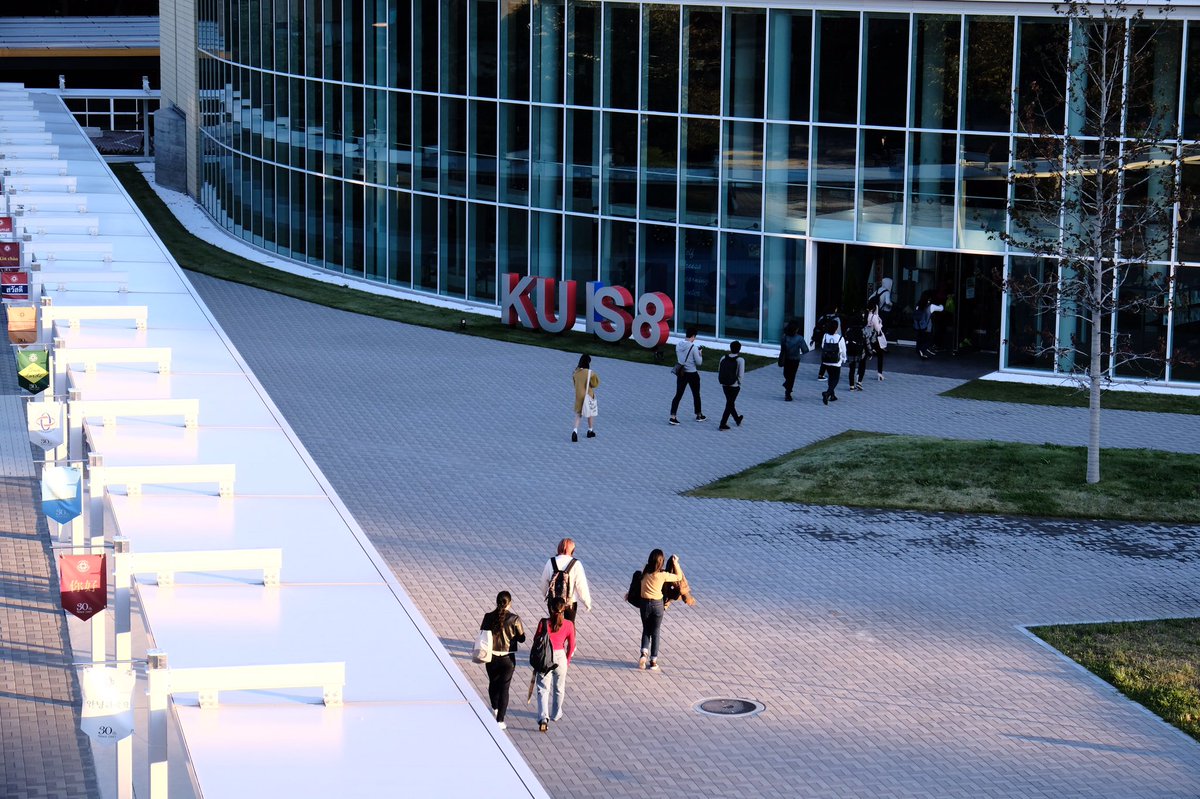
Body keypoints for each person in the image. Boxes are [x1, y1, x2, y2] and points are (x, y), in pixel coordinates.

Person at [479, 591, 525, 731]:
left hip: (491, 657)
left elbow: (482, 632)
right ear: (509, 603)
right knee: (504, 688)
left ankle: (495, 707)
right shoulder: (515, 619)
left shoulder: (488, 617)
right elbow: (522, 638)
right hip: (507, 659)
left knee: (493, 682)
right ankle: (500, 720)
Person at [535, 597, 576, 733]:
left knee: (543, 688)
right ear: (563, 609)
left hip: (546, 657)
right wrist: (568, 660)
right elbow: (572, 645)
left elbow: (536, 640)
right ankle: (556, 714)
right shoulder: (569, 624)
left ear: (550, 608)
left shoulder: (544, 623)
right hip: (560, 657)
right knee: (559, 687)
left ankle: (543, 718)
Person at [637, 549, 682, 672]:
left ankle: (643, 653)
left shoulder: (645, 572)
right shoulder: (662, 575)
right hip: (658, 605)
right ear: (661, 562)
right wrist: (676, 563)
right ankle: (653, 661)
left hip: (645, 604)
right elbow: (679, 577)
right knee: (655, 631)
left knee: (646, 629)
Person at [540, 537, 592, 623]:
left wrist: (545, 594)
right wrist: (587, 603)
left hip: (553, 601)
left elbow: (544, 581)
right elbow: (581, 585)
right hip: (570, 602)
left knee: (553, 624)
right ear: (572, 550)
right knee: (569, 626)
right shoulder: (576, 564)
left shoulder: (551, 561)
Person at [669, 327, 706, 425]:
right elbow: (699, 362)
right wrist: (700, 353)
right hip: (692, 373)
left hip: (681, 373)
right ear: (693, 336)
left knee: (678, 395)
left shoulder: (678, 345)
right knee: (696, 394)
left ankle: (673, 416)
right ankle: (699, 414)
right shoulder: (693, 347)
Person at [571, 354, 600, 442]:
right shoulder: (590, 373)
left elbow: (575, 384)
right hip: (588, 396)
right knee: (590, 413)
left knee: (578, 415)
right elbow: (595, 384)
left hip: (579, 396)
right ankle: (590, 431)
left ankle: (575, 431)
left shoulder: (575, 372)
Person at [717, 341, 746, 431]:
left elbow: (719, 370)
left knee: (730, 402)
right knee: (729, 404)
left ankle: (737, 419)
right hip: (734, 385)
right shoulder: (740, 360)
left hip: (724, 384)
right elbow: (741, 374)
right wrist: (739, 383)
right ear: (739, 349)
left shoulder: (723, 358)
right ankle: (722, 424)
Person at [819, 317, 846, 405]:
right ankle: (827, 393)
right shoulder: (839, 338)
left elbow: (823, 346)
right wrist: (844, 358)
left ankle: (832, 395)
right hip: (836, 361)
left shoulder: (825, 336)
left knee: (830, 377)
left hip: (826, 360)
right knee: (836, 379)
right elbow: (843, 350)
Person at [779, 320, 807, 401]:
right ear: (796, 330)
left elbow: (782, 348)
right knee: (792, 376)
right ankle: (788, 392)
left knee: (787, 374)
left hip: (786, 358)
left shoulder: (784, 337)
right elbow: (805, 350)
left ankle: (787, 388)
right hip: (795, 360)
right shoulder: (799, 338)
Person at [913, 290, 945, 359]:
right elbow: (941, 309)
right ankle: (922, 351)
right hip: (926, 327)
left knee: (920, 339)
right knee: (929, 340)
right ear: (930, 298)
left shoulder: (917, 305)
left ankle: (918, 350)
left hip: (918, 326)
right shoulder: (931, 306)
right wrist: (941, 303)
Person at [811, 308, 839, 381]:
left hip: (825, 339)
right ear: (835, 309)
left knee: (825, 357)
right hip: (834, 340)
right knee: (835, 358)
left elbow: (817, 327)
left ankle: (821, 374)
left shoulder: (823, 317)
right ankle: (833, 374)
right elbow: (839, 331)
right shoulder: (836, 319)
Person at [865, 299, 887, 381]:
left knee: (863, 357)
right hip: (874, 338)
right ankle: (879, 374)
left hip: (866, 337)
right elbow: (878, 329)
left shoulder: (865, 315)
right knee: (880, 355)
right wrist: (880, 323)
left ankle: (858, 376)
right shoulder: (874, 317)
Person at [843, 314, 866, 392]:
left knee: (851, 369)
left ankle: (851, 386)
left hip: (850, 350)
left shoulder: (849, 330)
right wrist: (870, 351)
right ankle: (859, 381)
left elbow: (845, 339)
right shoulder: (862, 330)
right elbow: (866, 341)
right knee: (862, 365)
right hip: (860, 351)